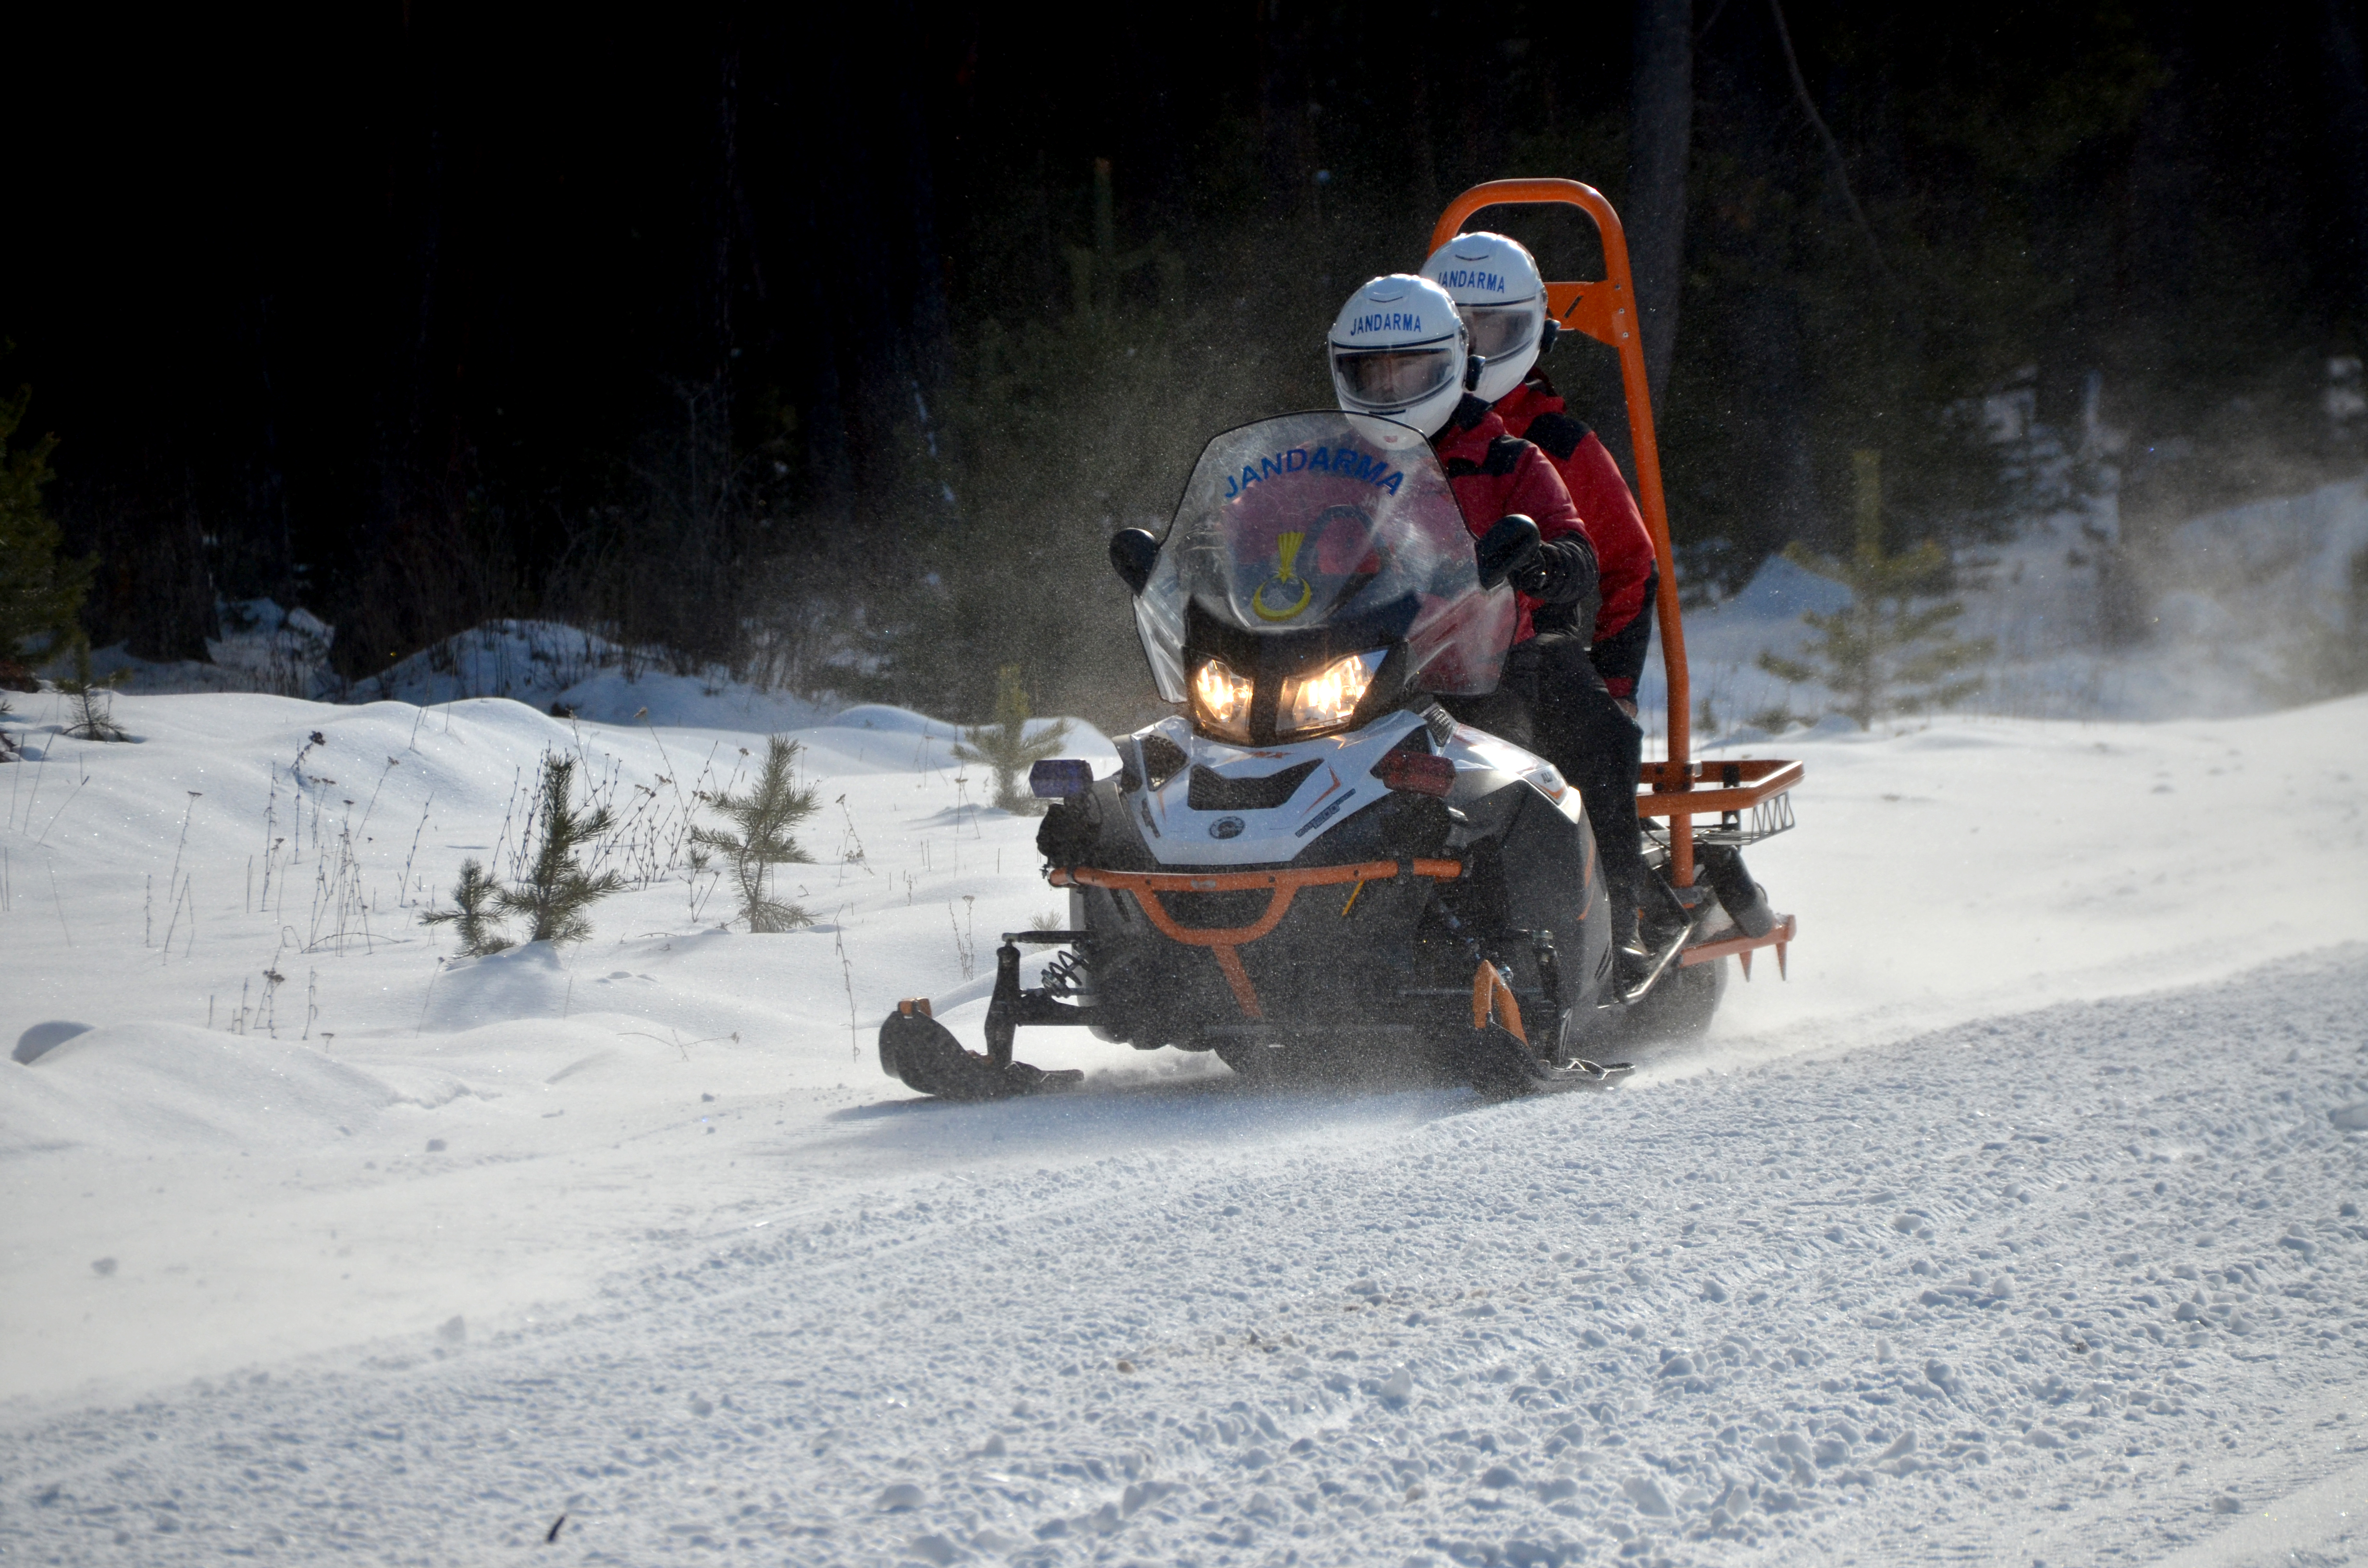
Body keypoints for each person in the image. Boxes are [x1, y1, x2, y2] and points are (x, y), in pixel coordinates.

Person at [1419, 233, 1672, 983]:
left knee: (1592, 737)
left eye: (1492, 330)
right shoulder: (1387, 434)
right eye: (1460, 330)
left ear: (1532, 332)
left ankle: (1617, 921)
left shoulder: (1552, 443)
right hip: (1402, 641)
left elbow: (1629, 564)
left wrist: (1617, 685)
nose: (1477, 348)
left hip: (1529, 636)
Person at [1326, 273, 1596, 748]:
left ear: (1454, 364)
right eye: (1371, 371)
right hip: (1338, 676)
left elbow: (1578, 555)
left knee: (1493, 788)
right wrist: (1205, 546)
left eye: (1408, 368)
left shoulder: (1507, 460)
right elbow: (1252, 523)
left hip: (1481, 675)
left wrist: (1538, 564)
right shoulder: (1324, 464)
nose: (1389, 387)